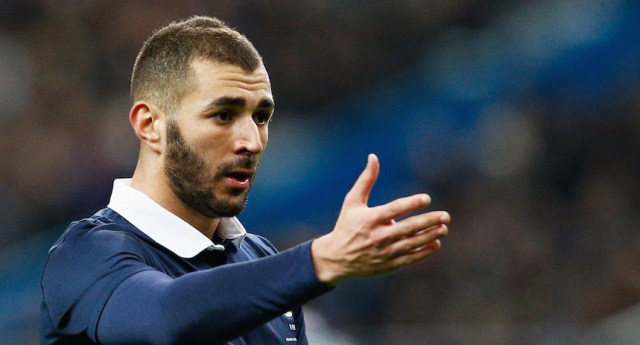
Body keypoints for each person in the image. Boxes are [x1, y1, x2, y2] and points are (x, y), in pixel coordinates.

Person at [39, 15, 450, 345]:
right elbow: (165, 317)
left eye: (261, 116)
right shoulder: (85, 256)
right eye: (223, 115)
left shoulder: (259, 259)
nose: (252, 141)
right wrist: (320, 260)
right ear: (150, 126)